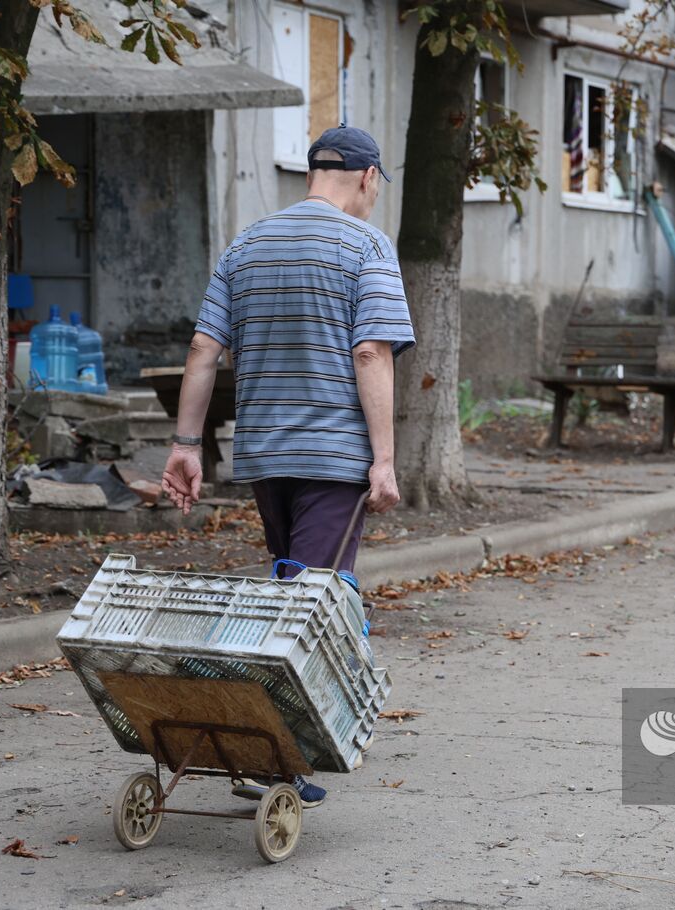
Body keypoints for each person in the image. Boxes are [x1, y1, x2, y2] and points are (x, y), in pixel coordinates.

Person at [160, 126, 414, 808]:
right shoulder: (366, 246)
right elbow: (371, 355)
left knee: (293, 598)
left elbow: (203, 351)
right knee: (310, 610)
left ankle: (273, 750)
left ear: (312, 175)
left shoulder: (247, 246)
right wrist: (383, 461)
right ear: (366, 179)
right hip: (333, 460)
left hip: (266, 457)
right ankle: (274, 757)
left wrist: (186, 446)